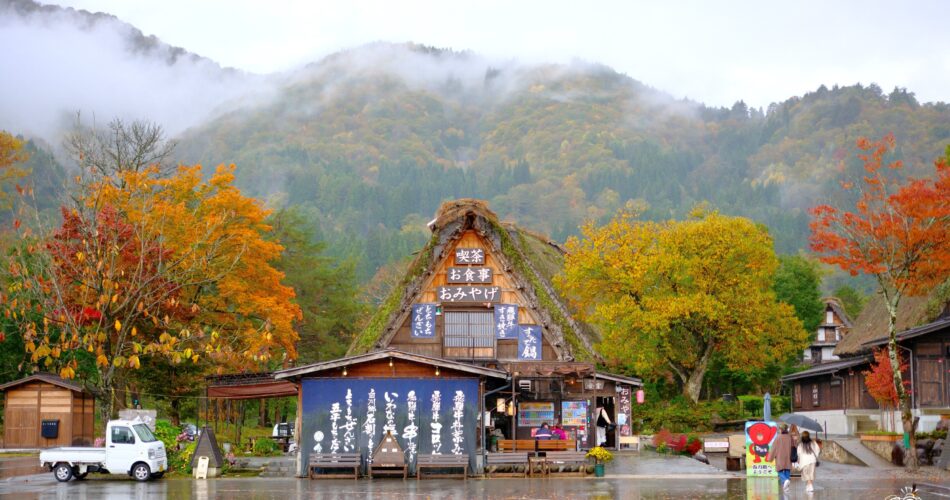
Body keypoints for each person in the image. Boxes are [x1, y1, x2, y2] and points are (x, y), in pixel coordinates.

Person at [767, 424, 793, 491]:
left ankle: (785, 480)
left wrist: (770, 458)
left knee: (779, 470)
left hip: (780, 456)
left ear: (781, 429)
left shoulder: (778, 438)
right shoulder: (790, 437)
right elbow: (794, 446)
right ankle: (786, 487)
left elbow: (773, 449)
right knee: (787, 469)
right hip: (788, 456)